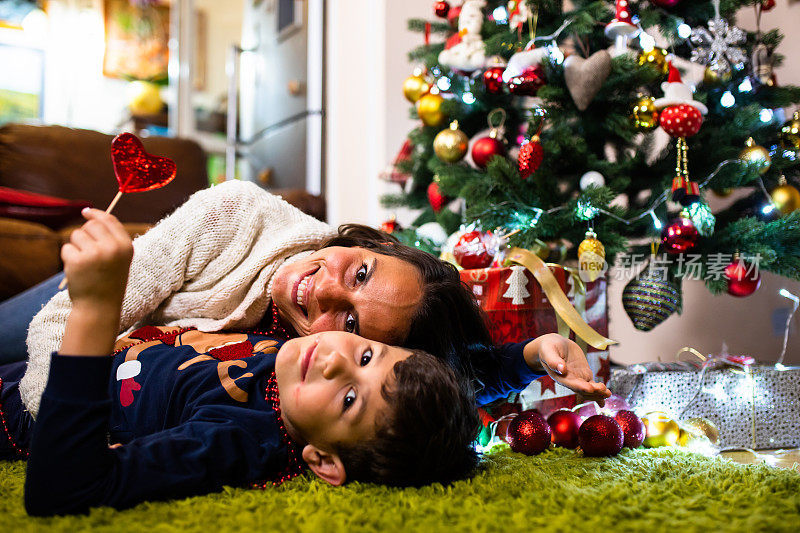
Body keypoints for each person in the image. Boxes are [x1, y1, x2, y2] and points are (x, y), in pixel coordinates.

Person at [0, 208, 480, 516]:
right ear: (379, 246)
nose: (336, 360)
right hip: (41, 353)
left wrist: (95, 310)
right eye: (366, 355)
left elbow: (63, 487)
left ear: (323, 461)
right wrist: (526, 355)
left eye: (351, 396)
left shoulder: (235, 438)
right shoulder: (290, 357)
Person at [4, 180, 608, 416]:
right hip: (78, 299)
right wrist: (56, 427)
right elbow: (64, 317)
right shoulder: (232, 213)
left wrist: (530, 355)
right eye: (362, 273)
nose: (320, 289)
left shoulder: (315, 369)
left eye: (345, 320)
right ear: (373, 241)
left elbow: (422, 384)